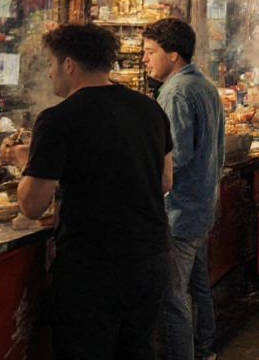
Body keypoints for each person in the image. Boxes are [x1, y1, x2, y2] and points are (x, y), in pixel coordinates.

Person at [18, 24, 173, 359]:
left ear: (69, 65)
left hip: (94, 267)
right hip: (152, 258)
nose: (48, 73)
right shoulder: (150, 109)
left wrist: (28, 164)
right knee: (137, 350)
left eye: (50, 63)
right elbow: (164, 182)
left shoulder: (57, 119)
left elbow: (32, 204)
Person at [141, 19, 224, 360]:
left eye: (150, 52)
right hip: (202, 206)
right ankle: (205, 348)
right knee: (198, 284)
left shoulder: (175, 92)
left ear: (172, 54)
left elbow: (175, 158)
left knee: (171, 299)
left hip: (179, 212)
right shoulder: (203, 83)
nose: (145, 59)